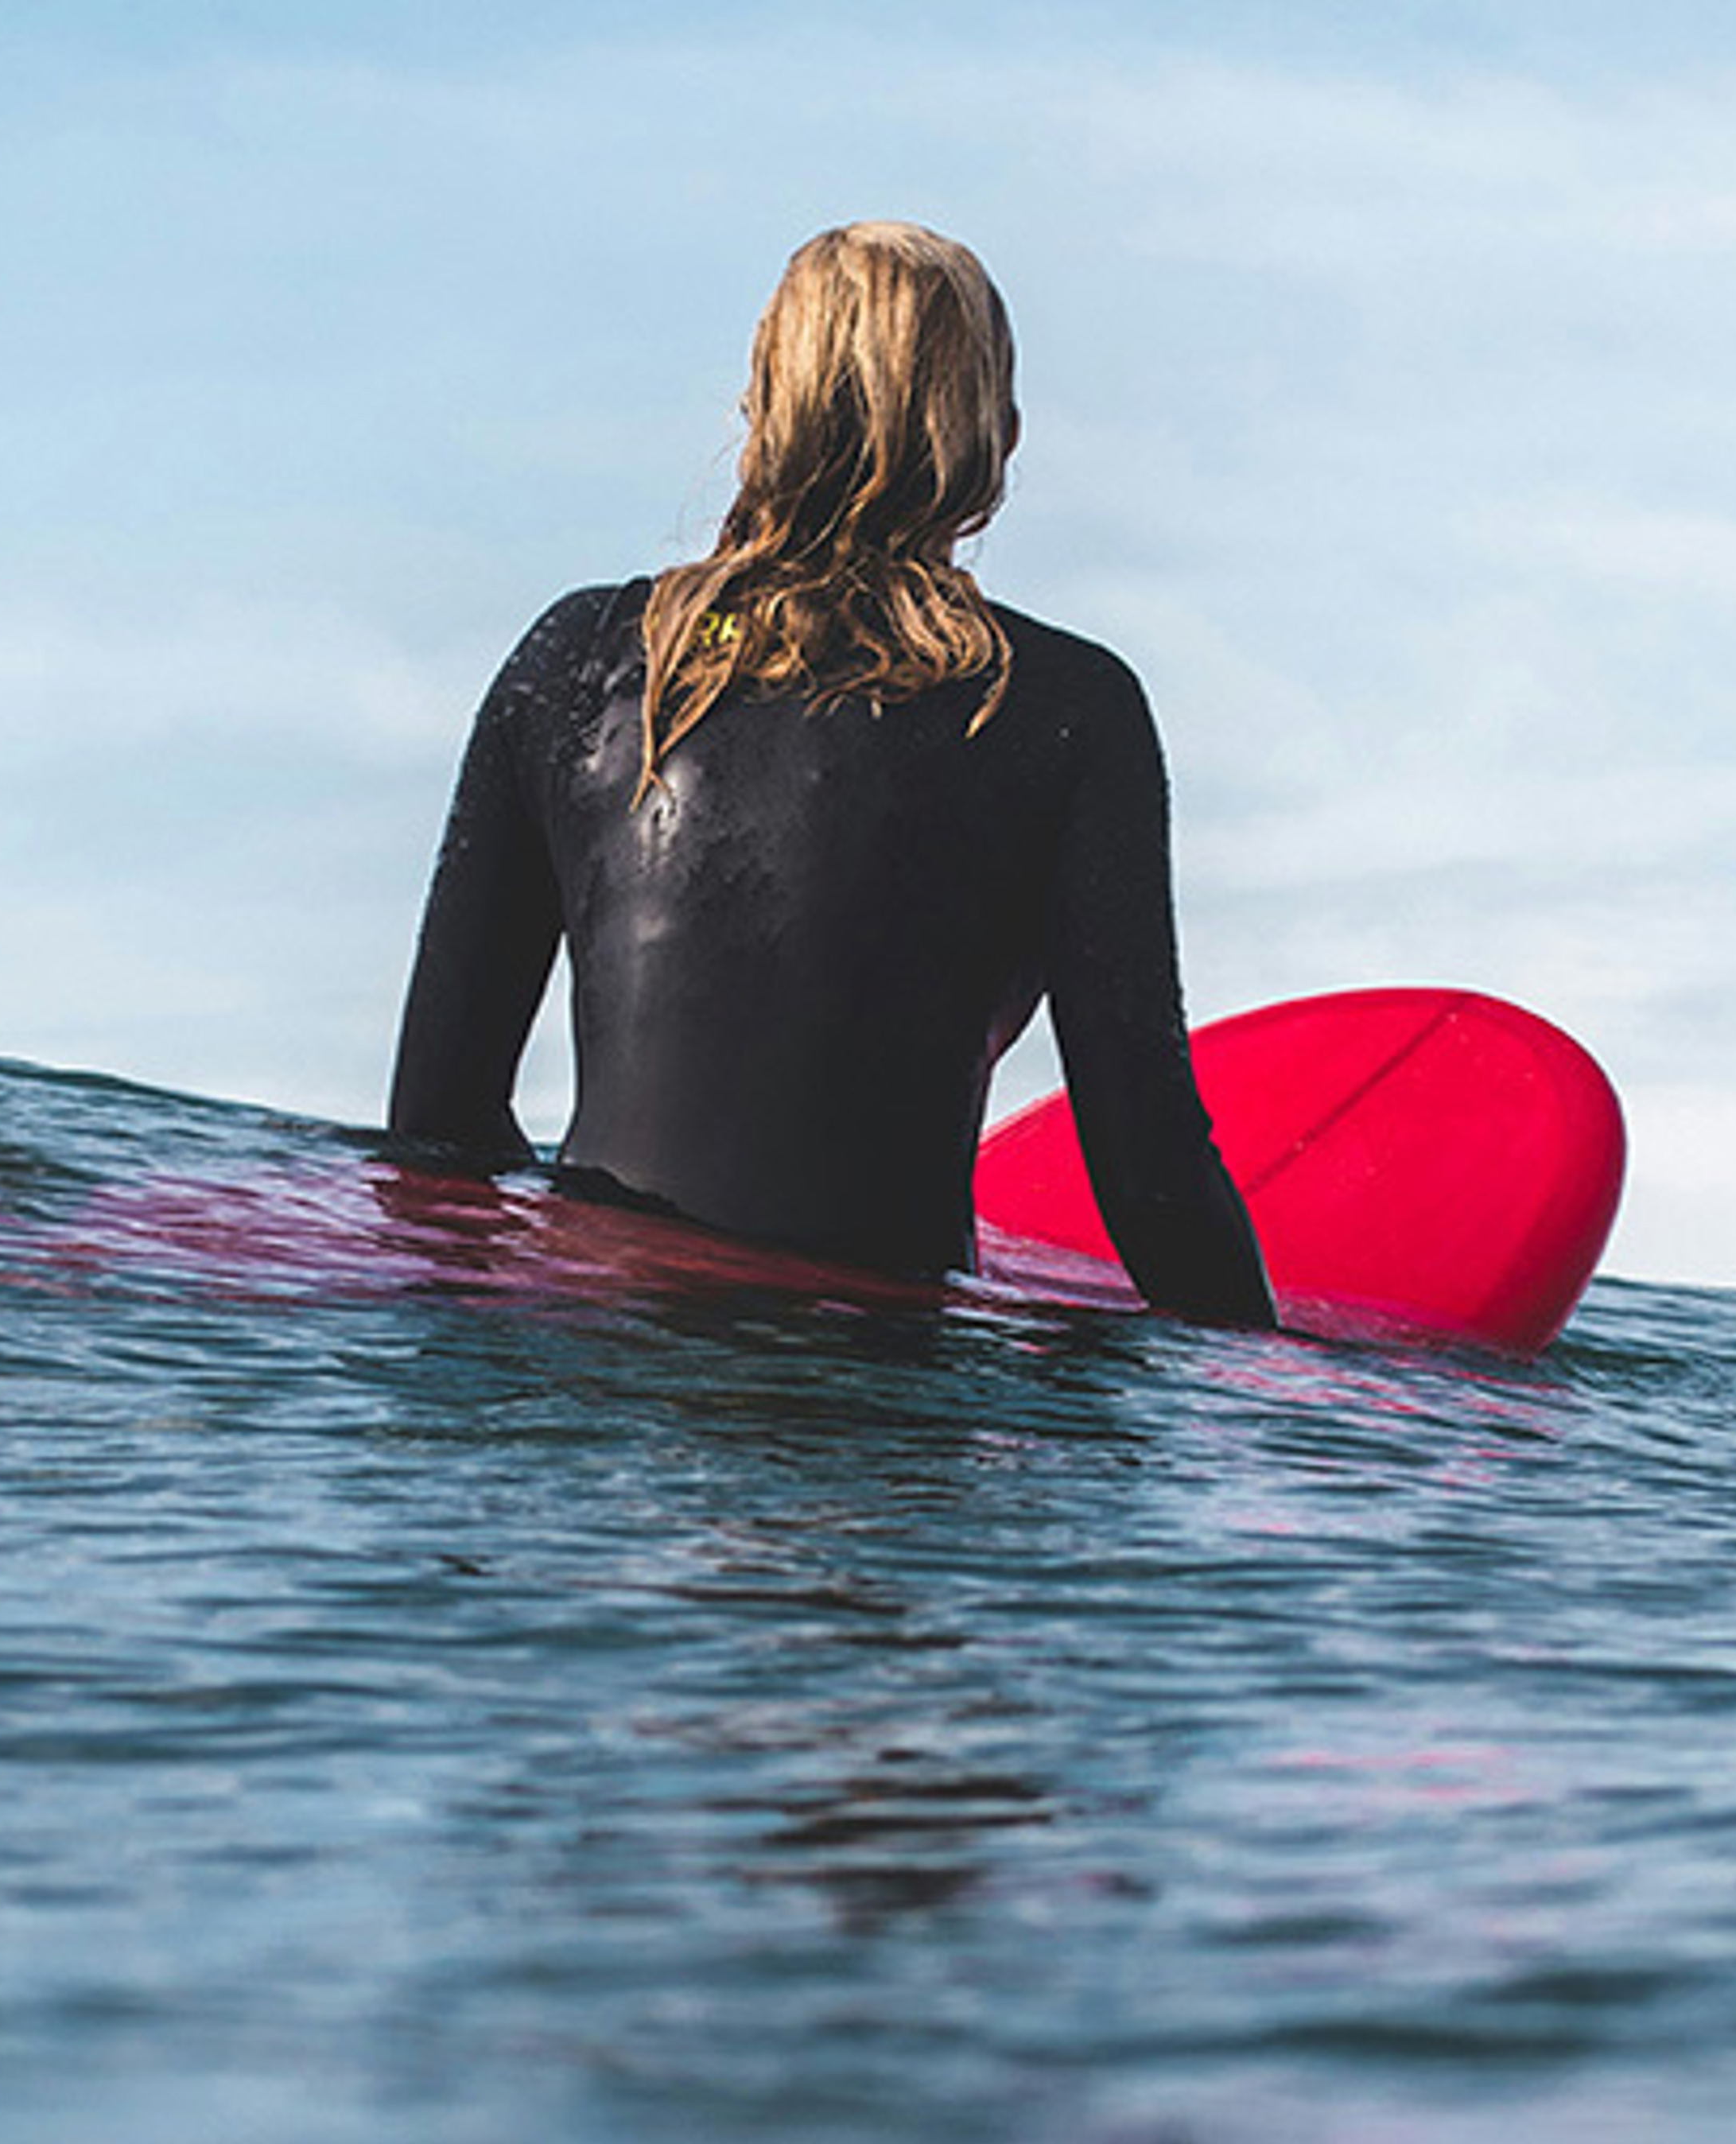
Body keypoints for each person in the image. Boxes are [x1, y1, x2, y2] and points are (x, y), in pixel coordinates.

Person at [387, 221, 1276, 1327]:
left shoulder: (575, 659)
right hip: (882, 1385)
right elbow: (1148, 1181)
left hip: (596, 1375)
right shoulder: (1064, 710)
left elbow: (436, 1131)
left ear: (759, 407)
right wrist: (1306, 1406)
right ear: (993, 435)